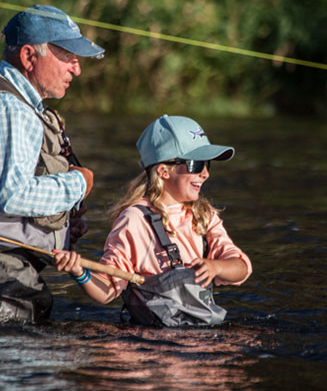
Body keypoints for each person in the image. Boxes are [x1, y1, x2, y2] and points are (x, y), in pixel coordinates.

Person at [0, 4, 103, 324]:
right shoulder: (7, 109)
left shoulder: (17, 105)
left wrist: (60, 227)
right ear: (29, 57)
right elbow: (11, 196)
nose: (76, 69)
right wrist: (77, 184)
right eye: (68, 56)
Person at [55, 115, 252, 326]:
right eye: (196, 164)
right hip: (152, 341)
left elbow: (242, 268)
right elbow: (108, 290)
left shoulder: (204, 215)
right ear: (163, 170)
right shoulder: (134, 220)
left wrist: (216, 267)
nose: (205, 174)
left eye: (208, 165)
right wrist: (79, 272)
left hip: (201, 335)